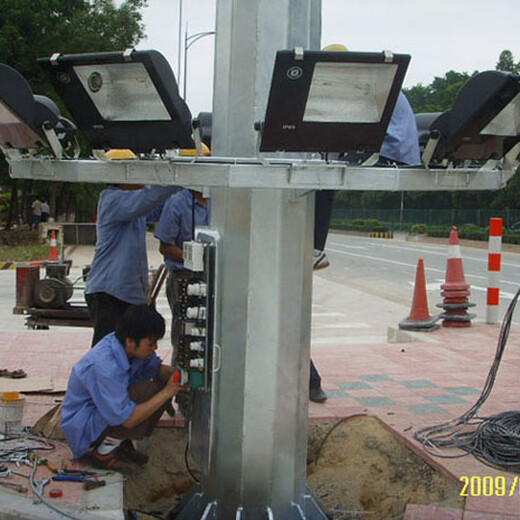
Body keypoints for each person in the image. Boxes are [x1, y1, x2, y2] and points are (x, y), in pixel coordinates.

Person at [313, 44, 421, 270]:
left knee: (321, 177)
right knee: (324, 169)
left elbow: (348, 128)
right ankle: (314, 248)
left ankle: (315, 248)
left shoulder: (359, 86)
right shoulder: (371, 81)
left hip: (388, 151)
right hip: (393, 149)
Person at [61, 304, 182, 472]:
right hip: (84, 428)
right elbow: (128, 419)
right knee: (149, 392)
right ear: (131, 341)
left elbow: (155, 368)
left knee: (160, 384)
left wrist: (176, 373)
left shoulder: (126, 345)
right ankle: (103, 453)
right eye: (151, 343)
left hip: (102, 413)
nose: (155, 348)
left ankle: (119, 444)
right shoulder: (105, 366)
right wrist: (167, 392)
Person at [85, 149, 180, 347]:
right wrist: (179, 174)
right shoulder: (114, 199)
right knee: (108, 351)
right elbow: (149, 197)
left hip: (127, 293)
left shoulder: (132, 205)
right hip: (110, 293)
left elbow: (158, 205)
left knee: (130, 351)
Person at [154, 188, 210, 362]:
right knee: (185, 335)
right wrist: (195, 256)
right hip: (184, 277)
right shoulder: (176, 203)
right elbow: (165, 247)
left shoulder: (220, 200)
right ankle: (180, 380)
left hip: (213, 276)